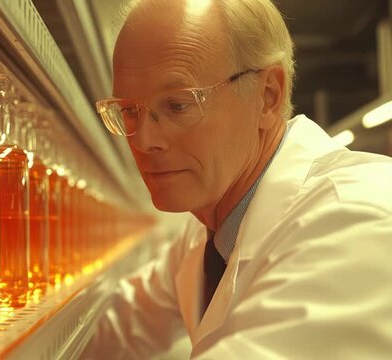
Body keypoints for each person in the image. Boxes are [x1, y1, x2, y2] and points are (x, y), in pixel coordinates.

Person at [83, 0, 392, 358]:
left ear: (267, 97)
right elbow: (124, 323)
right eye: (128, 111)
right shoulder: (209, 228)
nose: (144, 140)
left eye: (178, 105)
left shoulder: (354, 222)